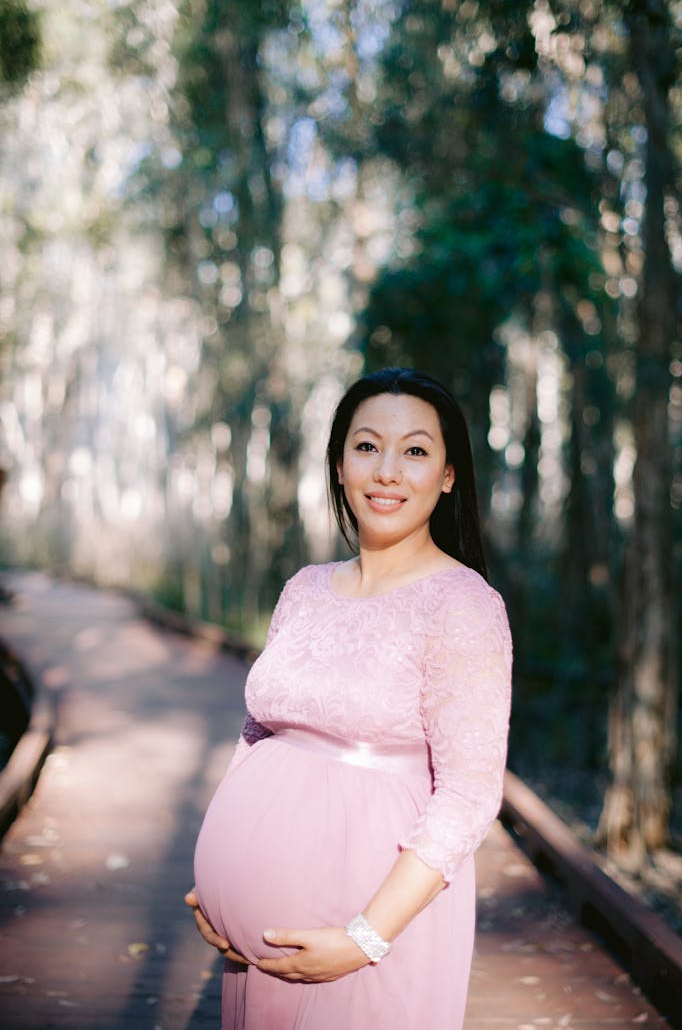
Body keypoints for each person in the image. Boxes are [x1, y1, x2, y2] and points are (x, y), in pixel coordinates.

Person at [187, 367, 513, 1030]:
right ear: (340, 464)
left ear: (449, 474)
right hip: (253, 948)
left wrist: (364, 936)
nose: (387, 470)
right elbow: (256, 734)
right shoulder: (304, 588)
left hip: (370, 930)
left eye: (416, 450)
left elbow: (470, 793)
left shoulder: (463, 606)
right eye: (367, 446)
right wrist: (214, 886)